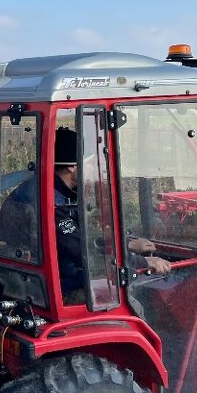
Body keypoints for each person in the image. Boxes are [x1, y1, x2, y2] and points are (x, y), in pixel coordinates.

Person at [51, 127, 170, 303]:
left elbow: (80, 238)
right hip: (64, 289)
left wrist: (126, 244)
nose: (93, 168)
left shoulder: (56, 191)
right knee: (132, 304)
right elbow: (83, 253)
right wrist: (142, 262)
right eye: (89, 162)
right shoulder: (55, 203)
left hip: (58, 279)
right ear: (71, 166)